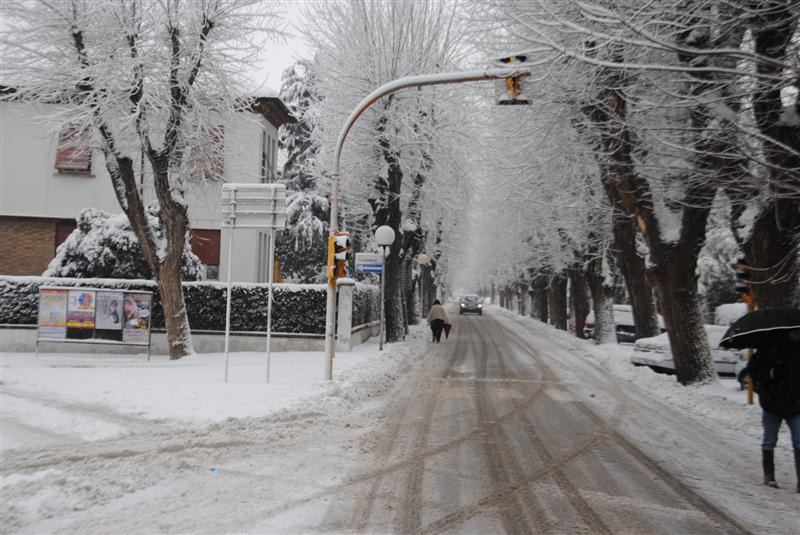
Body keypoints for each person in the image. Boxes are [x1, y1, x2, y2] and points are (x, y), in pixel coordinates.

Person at [744, 328, 800, 492]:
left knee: (799, 439)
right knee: (770, 439)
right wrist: (771, 376)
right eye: (796, 331)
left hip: (796, 404)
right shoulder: (768, 350)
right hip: (772, 404)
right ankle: (769, 476)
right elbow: (755, 372)